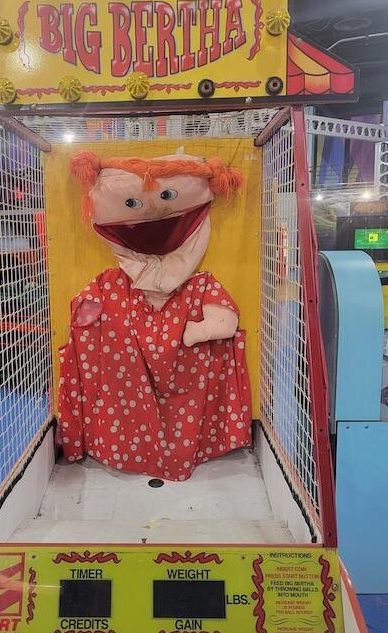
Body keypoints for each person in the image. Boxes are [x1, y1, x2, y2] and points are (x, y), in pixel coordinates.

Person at [58, 151, 252, 481]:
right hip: (130, 384)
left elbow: (225, 320)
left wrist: (203, 329)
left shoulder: (200, 284)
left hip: (176, 379)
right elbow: (84, 313)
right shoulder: (110, 285)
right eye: (132, 203)